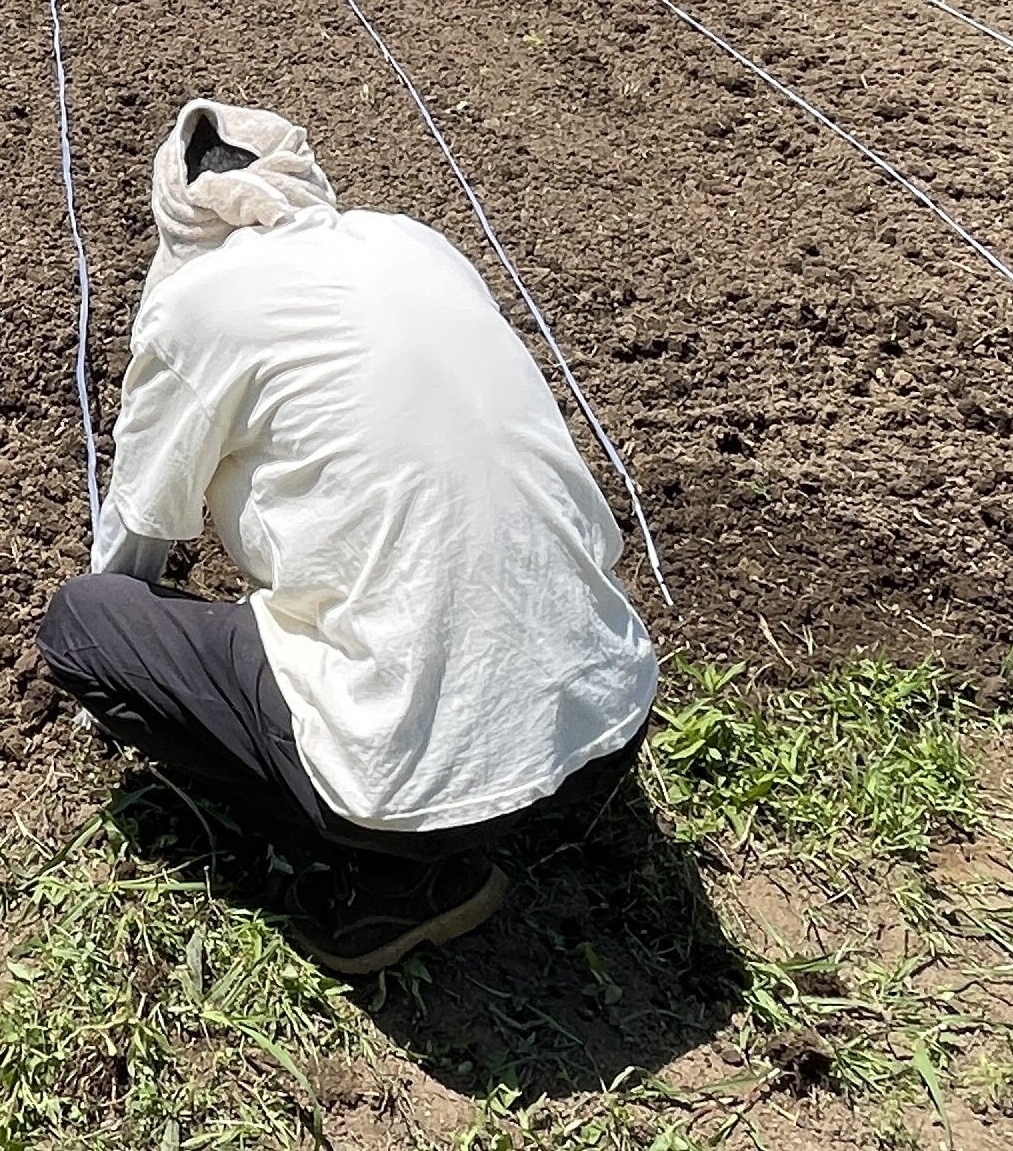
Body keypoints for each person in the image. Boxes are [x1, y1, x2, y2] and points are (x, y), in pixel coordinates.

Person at [37, 99, 660, 976]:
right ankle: (523, 786)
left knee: (84, 626)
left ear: (181, 219)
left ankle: (399, 881)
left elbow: (139, 529)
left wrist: (137, 649)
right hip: (612, 715)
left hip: (413, 795)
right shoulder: (414, 242)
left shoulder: (198, 309)